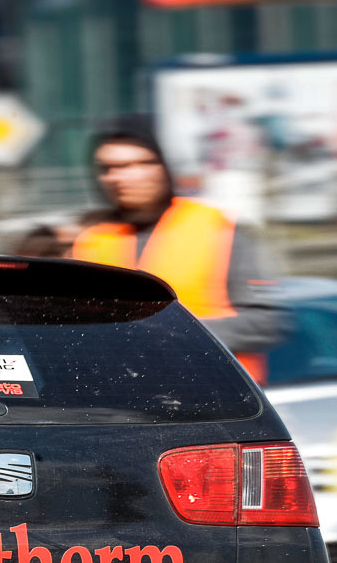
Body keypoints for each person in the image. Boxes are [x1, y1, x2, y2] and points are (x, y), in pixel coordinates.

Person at [72, 118, 284, 379]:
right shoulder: (92, 241)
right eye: (109, 168)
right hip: (129, 395)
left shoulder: (219, 228)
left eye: (140, 163)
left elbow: (265, 323)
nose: (121, 177)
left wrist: (172, 335)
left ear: (166, 166)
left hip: (218, 394)